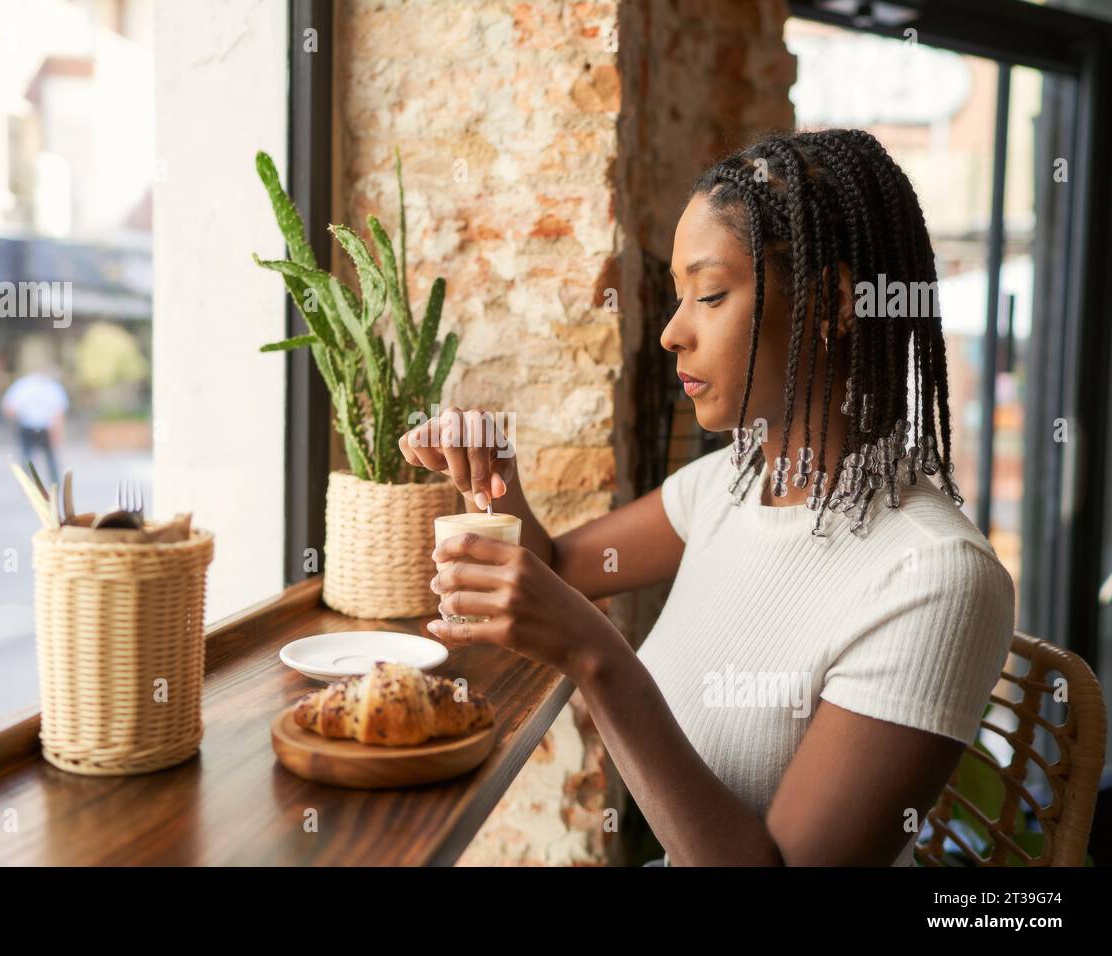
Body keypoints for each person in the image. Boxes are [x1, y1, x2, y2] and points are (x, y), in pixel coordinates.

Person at [401, 129, 1016, 866]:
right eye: (678, 297)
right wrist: (494, 481)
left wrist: (597, 657)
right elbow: (559, 570)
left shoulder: (935, 577)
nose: (670, 333)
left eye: (712, 294)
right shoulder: (735, 481)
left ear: (833, 302)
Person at [2, 366, 68, 487]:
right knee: (50, 458)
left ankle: (27, 484)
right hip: (45, 427)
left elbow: (9, 408)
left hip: (27, 426)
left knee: (27, 457)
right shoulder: (52, 387)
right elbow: (58, 412)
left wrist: (14, 423)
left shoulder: (22, 385)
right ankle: (54, 484)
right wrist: (58, 432)